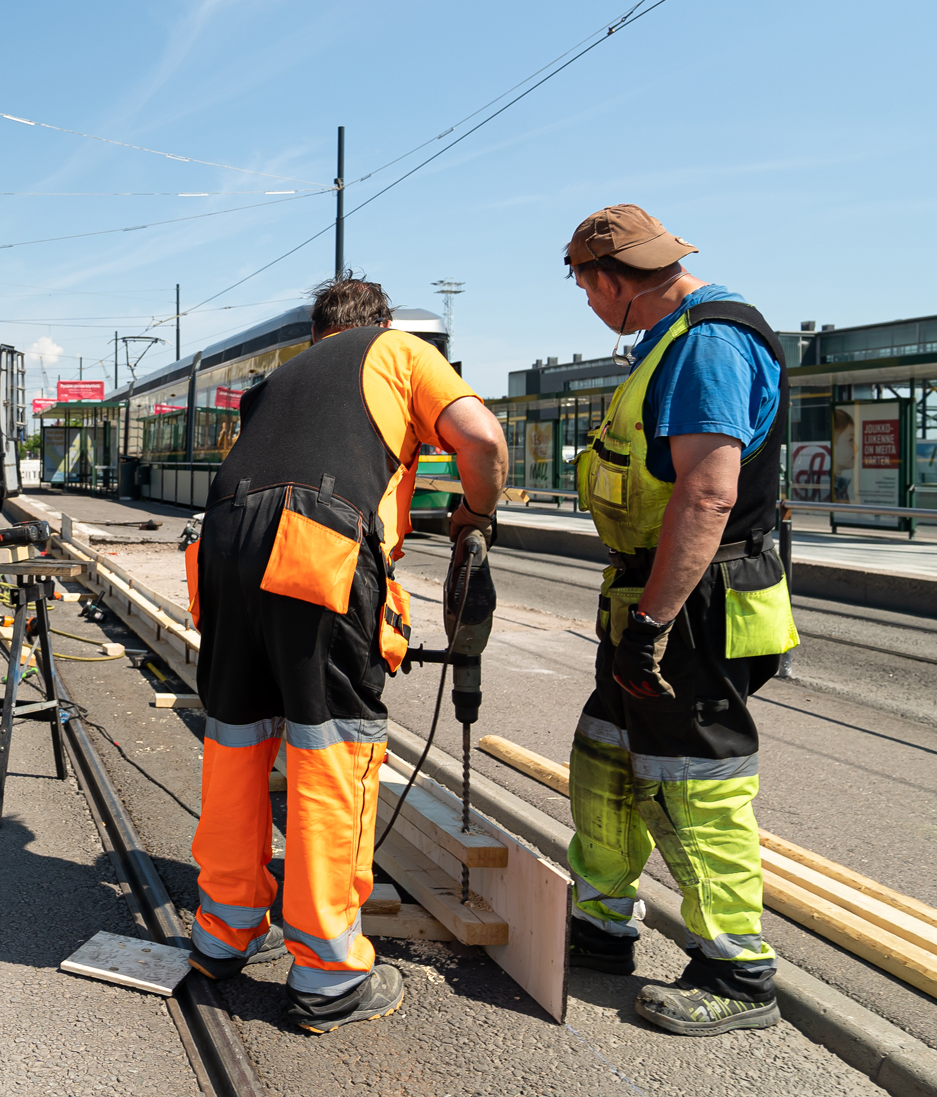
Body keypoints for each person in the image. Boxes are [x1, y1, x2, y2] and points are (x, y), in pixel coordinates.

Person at [186, 276, 509, 1033]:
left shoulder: (274, 383)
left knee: (237, 737)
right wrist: (475, 513)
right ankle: (328, 976)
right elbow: (483, 439)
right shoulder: (398, 351)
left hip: (221, 542)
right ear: (382, 324)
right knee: (331, 749)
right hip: (312, 541)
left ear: (314, 333)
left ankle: (221, 933)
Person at [562, 204, 797, 1036]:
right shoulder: (671, 342)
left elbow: (708, 490)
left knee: (693, 783)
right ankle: (599, 929)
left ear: (612, 281)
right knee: (607, 759)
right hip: (651, 596)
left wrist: (654, 624)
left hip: (693, 605)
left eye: (590, 289)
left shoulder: (706, 342)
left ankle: (739, 975)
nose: (589, 304)